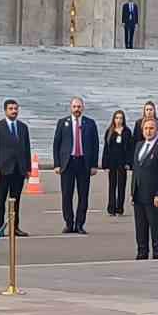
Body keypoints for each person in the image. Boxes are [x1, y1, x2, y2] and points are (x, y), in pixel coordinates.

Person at [53, 96, 99, 233]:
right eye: (74, 107)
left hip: (84, 163)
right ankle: (69, 223)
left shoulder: (90, 123)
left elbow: (95, 145)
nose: (77, 109)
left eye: (79, 107)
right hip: (68, 163)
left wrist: (94, 165)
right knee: (67, 195)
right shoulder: (63, 123)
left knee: (83, 195)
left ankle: (80, 224)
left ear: (83, 108)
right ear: (70, 108)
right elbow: (56, 144)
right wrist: (57, 164)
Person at [0, 98, 32, 235]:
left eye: (15, 108)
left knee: (16, 200)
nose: (14, 111)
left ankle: (15, 227)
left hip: (19, 170)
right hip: (3, 170)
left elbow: (27, 149)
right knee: (0, 200)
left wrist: (28, 168)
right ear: (5, 110)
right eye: (11, 109)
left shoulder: (23, 127)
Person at [130, 116, 158, 259]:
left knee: (156, 226)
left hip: (155, 196)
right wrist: (132, 191)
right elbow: (136, 170)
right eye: (146, 128)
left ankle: (157, 254)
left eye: (151, 128)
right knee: (140, 227)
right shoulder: (139, 146)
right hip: (139, 194)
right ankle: (142, 253)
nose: (148, 131)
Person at [101, 109, 134, 216]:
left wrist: (129, 163)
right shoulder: (109, 131)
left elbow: (130, 149)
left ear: (123, 119)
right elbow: (106, 148)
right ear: (113, 119)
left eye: (120, 118)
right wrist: (105, 163)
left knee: (121, 185)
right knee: (112, 185)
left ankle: (120, 208)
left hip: (122, 162)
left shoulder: (127, 132)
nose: (118, 120)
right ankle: (111, 208)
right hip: (112, 162)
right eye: (117, 118)